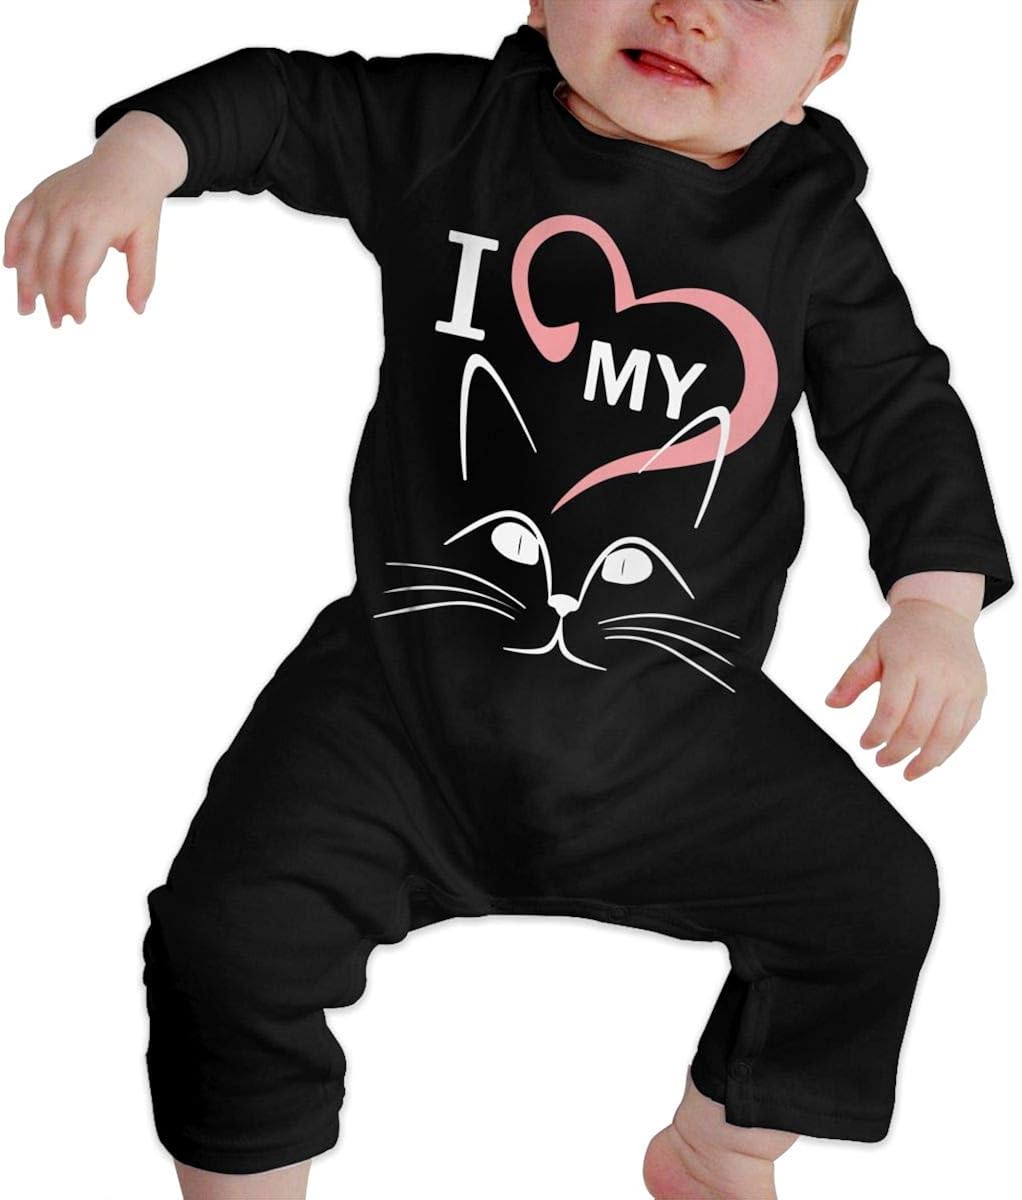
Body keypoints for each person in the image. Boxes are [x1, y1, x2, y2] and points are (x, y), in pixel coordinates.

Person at [4, 2, 1013, 1197]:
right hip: (400, 702)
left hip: (673, 725)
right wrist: (136, 156)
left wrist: (933, 603)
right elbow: (281, 98)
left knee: (874, 896)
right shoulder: (455, 132)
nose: (686, 8)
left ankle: (715, 1145)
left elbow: (898, 408)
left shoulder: (807, 226)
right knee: (224, 934)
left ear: (816, 74)